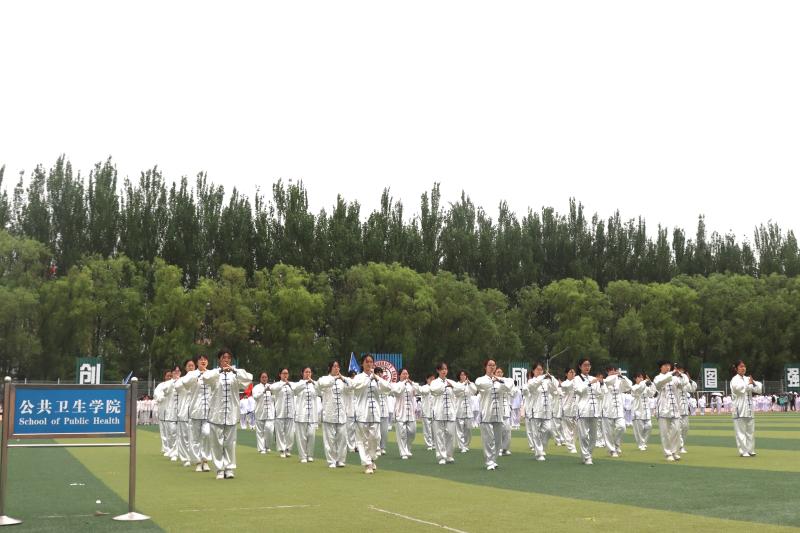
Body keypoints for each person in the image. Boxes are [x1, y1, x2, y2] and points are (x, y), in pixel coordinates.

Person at [202, 349, 252, 479]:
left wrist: (234, 370)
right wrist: (220, 370)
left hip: (231, 414)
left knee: (230, 443)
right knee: (216, 443)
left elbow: (249, 378)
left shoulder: (235, 374)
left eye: (228, 357)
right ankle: (219, 469)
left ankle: (229, 468)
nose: (226, 360)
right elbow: (205, 378)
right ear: (219, 359)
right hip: (216, 414)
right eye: (224, 357)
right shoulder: (214, 373)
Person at [352, 354, 392, 474]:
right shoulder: (358, 377)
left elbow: (388, 388)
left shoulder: (376, 378)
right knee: (363, 440)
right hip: (362, 413)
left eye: (371, 362)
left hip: (375, 413)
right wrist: (369, 378)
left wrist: (377, 378)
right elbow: (357, 388)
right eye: (367, 362)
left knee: (375, 438)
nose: (369, 364)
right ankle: (367, 463)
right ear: (362, 364)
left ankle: (371, 458)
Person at [475, 359, 513, 470]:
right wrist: (493, 380)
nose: (492, 367)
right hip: (486, 413)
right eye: (489, 365)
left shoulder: (501, 380)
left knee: (497, 440)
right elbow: (479, 385)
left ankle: (494, 460)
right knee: (488, 439)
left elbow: (509, 386)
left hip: (499, 414)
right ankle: (489, 461)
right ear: (485, 367)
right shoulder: (481, 379)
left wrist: (498, 379)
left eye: (493, 365)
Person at [318, 361, 351, 468]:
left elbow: (351, 387)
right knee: (329, 439)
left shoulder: (343, 380)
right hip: (329, 413)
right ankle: (331, 460)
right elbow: (322, 384)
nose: (337, 368)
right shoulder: (324, 378)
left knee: (342, 438)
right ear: (330, 368)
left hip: (341, 413)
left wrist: (343, 379)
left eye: (338, 366)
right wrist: (335, 378)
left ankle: (340, 460)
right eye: (334, 366)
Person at [182, 354, 213, 471]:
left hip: (209, 410)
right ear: (197, 362)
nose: (203, 361)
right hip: (195, 410)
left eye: (205, 359)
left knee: (207, 433)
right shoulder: (192, 374)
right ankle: (198, 462)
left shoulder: (211, 374)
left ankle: (205, 460)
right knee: (195, 438)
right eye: (200, 360)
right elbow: (185, 384)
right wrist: (196, 376)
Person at [573, 358, 603, 465]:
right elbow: (579, 391)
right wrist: (589, 383)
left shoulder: (593, 378)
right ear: (580, 366)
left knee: (594, 436)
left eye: (589, 365)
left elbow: (600, 394)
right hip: (583, 410)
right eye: (585, 365)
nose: (587, 367)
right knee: (584, 435)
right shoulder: (576, 379)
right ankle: (587, 456)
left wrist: (601, 384)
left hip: (594, 410)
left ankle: (587, 454)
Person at [730, 359, 763, 457]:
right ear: (736, 369)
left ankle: (750, 450)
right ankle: (743, 451)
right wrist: (750, 384)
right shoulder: (734, 379)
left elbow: (759, 388)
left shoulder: (747, 378)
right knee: (740, 431)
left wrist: (753, 383)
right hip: (739, 408)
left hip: (749, 408)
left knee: (750, 431)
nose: (743, 368)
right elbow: (739, 389)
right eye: (741, 366)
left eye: (744, 366)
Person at [430, 362, 461, 465]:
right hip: (439, 413)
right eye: (442, 369)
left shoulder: (451, 382)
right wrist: (445, 386)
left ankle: (449, 455)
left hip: (450, 413)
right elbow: (434, 390)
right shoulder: (434, 382)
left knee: (451, 435)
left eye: (446, 369)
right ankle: (441, 457)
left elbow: (461, 389)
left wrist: (453, 387)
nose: (444, 371)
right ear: (438, 370)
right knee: (439, 435)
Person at [525, 362, 557, 461]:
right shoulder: (531, 381)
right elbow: (533, 386)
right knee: (535, 433)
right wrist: (543, 377)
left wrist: (551, 378)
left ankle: (541, 448)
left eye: (541, 370)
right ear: (533, 371)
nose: (540, 371)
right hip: (535, 410)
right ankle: (539, 453)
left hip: (546, 411)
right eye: (537, 369)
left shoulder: (546, 381)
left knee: (548, 429)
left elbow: (554, 388)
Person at [653, 360, 682, 462]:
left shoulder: (674, 377)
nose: (668, 367)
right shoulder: (658, 377)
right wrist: (671, 375)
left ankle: (674, 451)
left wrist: (681, 375)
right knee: (665, 433)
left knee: (677, 430)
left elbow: (683, 385)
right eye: (665, 365)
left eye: (669, 365)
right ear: (661, 367)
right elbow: (658, 385)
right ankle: (668, 453)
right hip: (663, 409)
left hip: (674, 408)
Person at [601, 365, 632, 458]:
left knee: (622, 427)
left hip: (619, 410)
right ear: (607, 372)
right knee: (608, 432)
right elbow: (607, 382)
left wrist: (622, 377)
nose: (614, 372)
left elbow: (628, 386)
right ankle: (612, 450)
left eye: (615, 370)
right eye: (611, 370)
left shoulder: (619, 382)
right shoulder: (604, 382)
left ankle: (616, 444)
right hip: (607, 410)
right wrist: (615, 376)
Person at [391, 368, 419, 459]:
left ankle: (408, 448)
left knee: (412, 432)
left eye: (407, 374)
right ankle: (403, 452)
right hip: (400, 411)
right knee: (401, 433)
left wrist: (411, 383)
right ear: (400, 375)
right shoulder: (396, 385)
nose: (405, 375)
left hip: (410, 411)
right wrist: (403, 383)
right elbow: (397, 392)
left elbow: (418, 391)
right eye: (403, 374)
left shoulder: (411, 385)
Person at [293, 367, 319, 463]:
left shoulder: (314, 384)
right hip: (301, 414)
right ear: (302, 373)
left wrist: (312, 382)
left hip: (312, 414)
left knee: (311, 435)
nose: (308, 374)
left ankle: (310, 454)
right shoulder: (299, 383)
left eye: (309, 372)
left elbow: (320, 391)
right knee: (301, 437)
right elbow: (295, 391)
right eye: (306, 372)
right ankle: (303, 456)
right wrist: (305, 383)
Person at [270, 368, 295, 458]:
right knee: (280, 432)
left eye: (287, 373)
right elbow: (272, 389)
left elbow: (297, 390)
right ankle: (282, 449)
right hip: (280, 412)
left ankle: (288, 449)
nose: (285, 375)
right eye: (283, 373)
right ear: (280, 374)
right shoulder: (276, 384)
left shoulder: (291, 384)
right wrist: (283, 383)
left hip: (290, 412)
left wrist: (289, 384)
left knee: (290, 433)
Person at [252, 372, 276, 454]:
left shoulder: (271, 387)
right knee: (260, 432)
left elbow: (275, 399)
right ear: (260, 378)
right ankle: (261, 448)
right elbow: (255, 397)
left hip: (270, 413)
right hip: (260, 412)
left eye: (266, 377)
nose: (264, 379)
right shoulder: (256, 387)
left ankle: (267, 446)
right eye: (263, 377)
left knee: (269, 430)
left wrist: (272, 393)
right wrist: (263, 391)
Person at [674, 363, 696, 454]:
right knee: (678, 429)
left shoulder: (685, 380)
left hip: (685, 409)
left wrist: (690, 380)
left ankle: (680, 444)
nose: (680, 371)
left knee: (685, 428)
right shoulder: (673, 380)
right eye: (679, 369)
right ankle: (680, 446)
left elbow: (693, 389)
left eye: (681, 370)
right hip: (676, 408)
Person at [630, 372, 655, 451]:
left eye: (642, 377)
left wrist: (651, 383)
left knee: (649, 426)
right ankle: (641, 444)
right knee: (639, 429)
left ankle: (643, 442)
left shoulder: (645, 387)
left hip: (646, 410)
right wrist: (644, 382)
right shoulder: (634, 387)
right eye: (639, 377)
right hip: (637, 410)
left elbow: (652, 393)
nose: (641, 379)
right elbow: (640, 390)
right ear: (635, 379)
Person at [153, 370, 175, 457]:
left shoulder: (174, 384)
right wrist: (162, 397)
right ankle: (166, 448)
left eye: (170, 376)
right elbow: (156, 395)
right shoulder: (161, 385)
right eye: (167, 376)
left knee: (171, 431)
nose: (169, 377)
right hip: (162, 409)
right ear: (164, 377)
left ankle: (172, 448)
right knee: (163, 430)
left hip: (173, 411)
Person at [454, 370, 477, 453]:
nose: (463, 376)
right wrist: (464, 384)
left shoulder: (470, 384)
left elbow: (474, 391)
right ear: (459, 376)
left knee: (468, 429)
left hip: (469, 410)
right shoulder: (457, 385)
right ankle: (461, 446)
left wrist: (469, 383)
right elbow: (456, 391)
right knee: (459, 430)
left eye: (464, 375)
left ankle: (466, 445)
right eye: (461, 375)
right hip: (459, 410)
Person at [494, 367, 513, 456]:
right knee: (499, 430)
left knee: (507, 429)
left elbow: (511, 386)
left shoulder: (506, 380)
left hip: (506, 409)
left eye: (501, 372)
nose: (499, 373)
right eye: (498, 372)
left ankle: (505, 448)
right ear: (495, 373)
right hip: (497, 408)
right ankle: (499, 448)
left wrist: (500, 380)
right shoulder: (493, 382)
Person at [559, 368, 578, 454]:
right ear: (566, 374)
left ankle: (572, 444)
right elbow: (568, 386)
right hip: (567, 409)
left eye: (574, 372)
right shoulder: (565, 384)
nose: (573, 373)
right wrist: (575, 380)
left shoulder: (576, 382)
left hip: (576, 409)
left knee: (576, 429)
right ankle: (571, 447)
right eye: (571, 372)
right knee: (567, 429)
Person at [373, 367, 391, 456]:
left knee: (384, 431)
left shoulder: (384, 383)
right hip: (376, 411)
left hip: (384, 411)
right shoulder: (372, 383)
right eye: (378, 373)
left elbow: (388, 390)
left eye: (381, 373)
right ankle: (377, 447)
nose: (380, 374)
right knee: (376, 432)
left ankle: (383, 447)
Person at [419, 374, 435, 451]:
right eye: (430, 379)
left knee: (434, 429)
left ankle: (434, 444)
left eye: (433, 379)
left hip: (434, 412)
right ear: (427, 379)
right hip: (426, 411)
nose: (432, 380)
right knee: (427, 429)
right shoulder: (424, 387)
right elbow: (423, 391)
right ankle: (429, 444)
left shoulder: (436, 388)